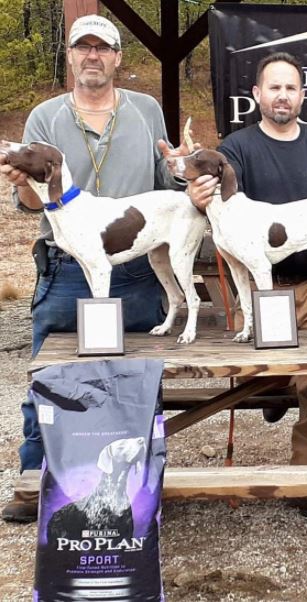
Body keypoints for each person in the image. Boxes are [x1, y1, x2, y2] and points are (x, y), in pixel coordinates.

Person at [0, 14, 193, 522]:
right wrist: (21, 182)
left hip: (136, 272)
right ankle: (35, 484)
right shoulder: (45, 116)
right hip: (67, 271)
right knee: (55, 378)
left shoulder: (148, 109)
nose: (92, 56)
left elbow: (167, 183)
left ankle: (138, 490)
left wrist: (185, 173)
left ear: (117, 57)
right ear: (70, 57)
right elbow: (30, 200)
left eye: (102, 48)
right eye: (82, 48)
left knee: (136, 384)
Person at [188, 51, 307, 517]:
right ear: (258, 94)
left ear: (302, 95)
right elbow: (207, 204)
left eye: (291, 87)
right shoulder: (234, 148)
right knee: (251, 369)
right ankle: (275, 386)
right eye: (273, 87)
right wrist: (196, 197)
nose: (282, 95)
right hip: (260, 291)